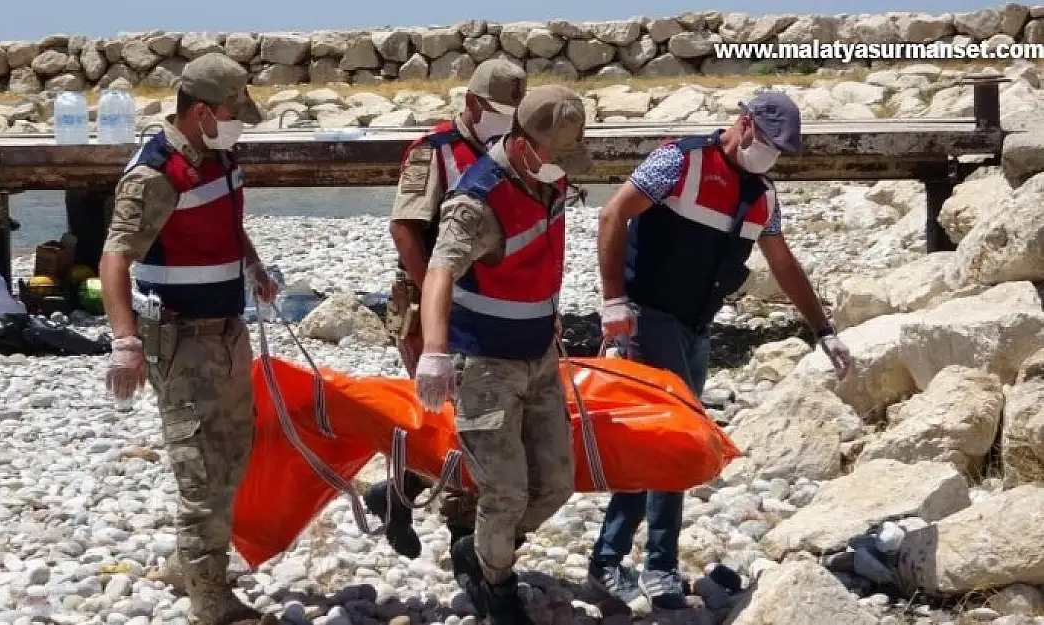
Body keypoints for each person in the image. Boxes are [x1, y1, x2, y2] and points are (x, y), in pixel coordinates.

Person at [588, 89, 855, 613]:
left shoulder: (762, 195)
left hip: (696, 327)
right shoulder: (680, 161)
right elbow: (613, 216)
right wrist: (613, 302)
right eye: (769, 143)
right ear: (745, 124)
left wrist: (825, 330)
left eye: (782, 151)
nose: (771, 156)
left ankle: (613, 558)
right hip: (649, 316)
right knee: (676, 439)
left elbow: (781, 262)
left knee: (663, 443)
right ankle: (653, 566)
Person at [98, 52, 279, 625]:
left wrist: (253, 265)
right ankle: (208, 597)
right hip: (182, 340)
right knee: (200, 466)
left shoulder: (217, 155)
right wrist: (124, 342)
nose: (240, 124)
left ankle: (194, 561)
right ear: (201, 112)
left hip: (227, 330)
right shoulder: (154, 174)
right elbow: (113, 259)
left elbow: (225, 222)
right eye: (232, 113)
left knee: (234, 451)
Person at [414, 84, 591, 624]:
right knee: (505, 492)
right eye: (557, 157)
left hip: (538, 354)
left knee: (557, 485)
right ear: (522, 145)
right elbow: (439, 271)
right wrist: (435, 351)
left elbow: (540, 253)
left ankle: (485, 547)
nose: (564, 169)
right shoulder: (478, 200)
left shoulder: (546, 180)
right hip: (485, 362)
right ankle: (496, 586)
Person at [365, 59, 528, 559]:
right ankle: (465, 542)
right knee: (461, 422)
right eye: (501, 111)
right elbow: (404, 228)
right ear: (473, 105)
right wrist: (437, 296)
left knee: (474, 419)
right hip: (429, 305)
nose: (509, 121)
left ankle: (396, 493)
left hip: (489, 305)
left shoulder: (510, 151)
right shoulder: (434, 153)